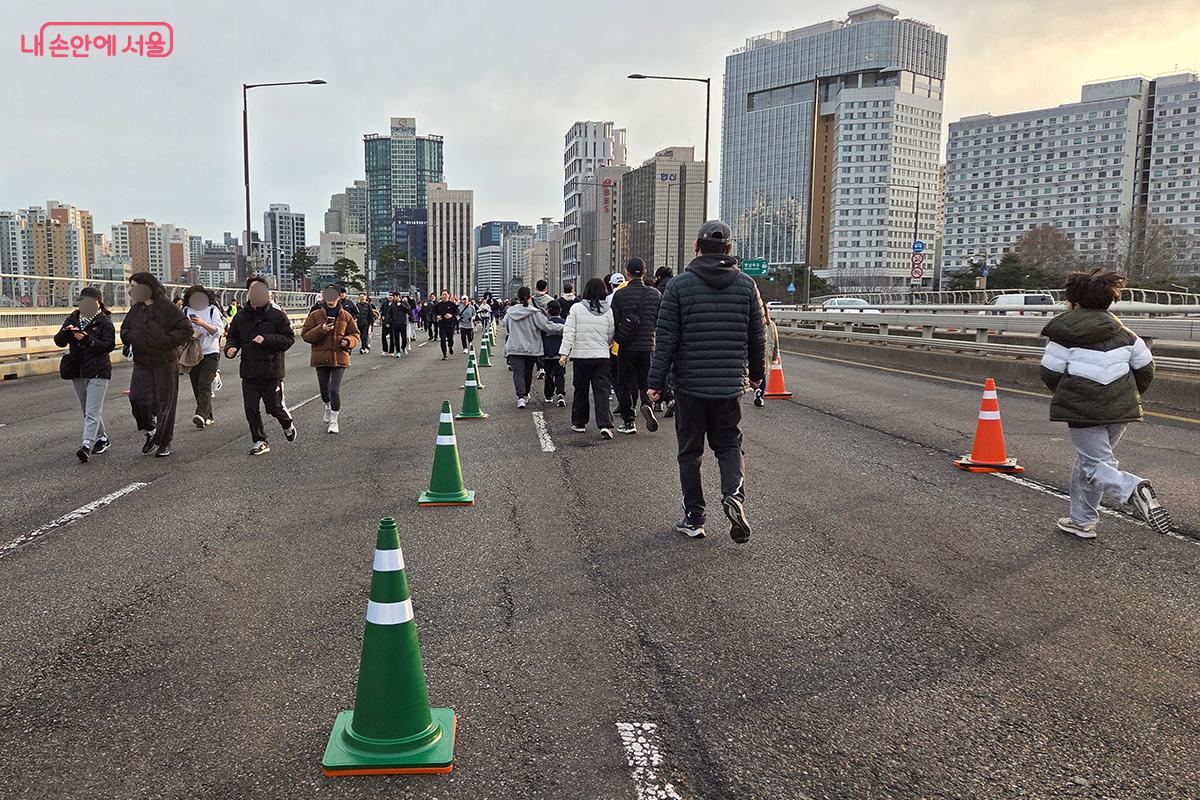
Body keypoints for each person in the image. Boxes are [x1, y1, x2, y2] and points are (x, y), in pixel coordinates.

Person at [647, 220, 766, 543]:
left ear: (697, 247)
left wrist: (655, 383)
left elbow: (666, 339)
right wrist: (757, 375)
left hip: (689, 386)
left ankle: (695, 517)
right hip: (729, 385)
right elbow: (757, 337)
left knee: (690, 453)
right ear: (729, 248)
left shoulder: (678, 286)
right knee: (729, 446)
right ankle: (733, 495)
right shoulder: (746, 286)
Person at [1040, 268, 1172, 538]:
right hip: (1120, 410)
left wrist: (1070, 394)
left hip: (1082, 411)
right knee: (1092, 462)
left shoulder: (1063, 335)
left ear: (1073, 302)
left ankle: (1131, 488)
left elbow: (1050, 373)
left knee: (1094, 465)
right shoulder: (1127, 335)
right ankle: (1082, 521)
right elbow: (1146, 369)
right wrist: (1127, 395)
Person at [121, 272, 192, 457]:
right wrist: (132, 337)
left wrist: (166, 340)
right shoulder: (136, 309)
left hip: (164, 361)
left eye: (136, 286)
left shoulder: (167, 308)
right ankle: (150, 430)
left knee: (165, 403)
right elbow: (125, 329)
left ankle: (164, 441)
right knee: (137, 398)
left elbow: (186, 329)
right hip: (142, 361)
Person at [225, 276, 297, 455]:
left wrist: (266, 339)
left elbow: (288, 339)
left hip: (271, 370)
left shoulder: (277, 315)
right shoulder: (241, 316)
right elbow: (232, 336)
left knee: (273, 407)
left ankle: (287, 423)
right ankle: (260, 440)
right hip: (249, 371)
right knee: (250, 408)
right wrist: (230, 348)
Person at [55, 287, 116, 462]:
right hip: (77, 370)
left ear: (98, 303)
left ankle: (86, 445)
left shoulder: (104, 322)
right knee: (87, 410)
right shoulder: (73, 318)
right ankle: (102, 438)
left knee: (92, 411)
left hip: (98, 371)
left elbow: (109, 346)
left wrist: (88, 340)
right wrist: (65, 333)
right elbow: (58, 342)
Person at [609, 257, 662, 435]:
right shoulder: (655, 294)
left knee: (624, 383)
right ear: (645, 272)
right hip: (647, 345)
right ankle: (647, 404)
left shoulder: (620, 295)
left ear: (627, 273)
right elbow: (659, 320)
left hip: (626, 346)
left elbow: (614, 320)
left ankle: (629, 421)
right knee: (645, 381)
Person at [558, 277, 616, 438]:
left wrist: (564, 354)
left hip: (581, 357)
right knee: (602, 390)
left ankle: (579, 422)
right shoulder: (608, 310)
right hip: (602, 356)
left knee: (581, 389)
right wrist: (604, 346)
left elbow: (569, 332)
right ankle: (605, 424)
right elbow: (610, 334)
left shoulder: (576, 308)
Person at [301, 284, 361, 434]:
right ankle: (327, 405)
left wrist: (348, 341)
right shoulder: (315, 315)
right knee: (324, 392)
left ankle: (334, 420)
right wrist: (321, 329)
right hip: (321, 358)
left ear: (339, 296)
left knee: (334, 389)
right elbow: (306, 335)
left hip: (339, 356)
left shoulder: (346, 316)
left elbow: (355, 334)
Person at [503, 286, 565, 408]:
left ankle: (521, 397)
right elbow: (547, 326)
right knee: (527, 372)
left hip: (514, 347)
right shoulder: (534, 313)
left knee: (518, 373)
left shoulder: (510, 312)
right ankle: (525, 394)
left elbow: (505, 325)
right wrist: (565, 328)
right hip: (530, 348)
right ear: (530, 297)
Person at [182, 285, 225, 429]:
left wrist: (202, 324)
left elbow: (218, 331)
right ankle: (208, 416)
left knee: (204, 384)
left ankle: (200, 414)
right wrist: (190, 333)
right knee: (196, 385)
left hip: (210, 352)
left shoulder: (212, 310)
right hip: (193, 353)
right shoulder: (185, 311)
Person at [541, 300, 567, 407]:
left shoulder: (545, 324)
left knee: (548, 374)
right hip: (560, 353)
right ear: (560, 310)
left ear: (548, 311)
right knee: (560, 374)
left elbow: (541, 338)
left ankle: (548, 395)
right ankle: (560, 393)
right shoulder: (565, 323)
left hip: (547, 354)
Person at [755, 304, 781, 408]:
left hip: (756, 350)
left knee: (753, 373)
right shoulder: (771, 324)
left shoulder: (754, 323)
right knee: (763, 374)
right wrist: (775, 357)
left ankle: (756, 389)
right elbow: (776, 342)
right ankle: (760, 394)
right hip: (767, 352)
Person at [433, 290, 458, 359]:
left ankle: (450, 346)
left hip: (450, 324)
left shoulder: (452, 304)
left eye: (445, 294)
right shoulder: (438, 305)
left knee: (450, 339)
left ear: (448, 296)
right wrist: (437, 316)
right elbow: (434, 313)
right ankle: (444, 355)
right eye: (443, 294)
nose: (444, 296)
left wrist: (451, 315)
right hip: (442, 324)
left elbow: (456, 312)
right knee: (442, 339)